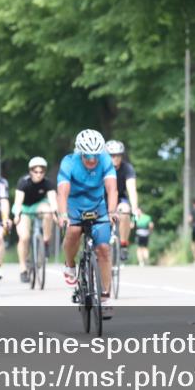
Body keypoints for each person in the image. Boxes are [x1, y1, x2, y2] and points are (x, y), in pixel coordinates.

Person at [57, 129, 118, 319]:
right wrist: (62, 214)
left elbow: (112, 189)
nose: (92, 160)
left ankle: (106, 296)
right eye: (88, 156)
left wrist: (112, 212)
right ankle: (69, 264)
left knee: (104, 250)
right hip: (75, 206)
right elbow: (63, 192)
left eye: (96, 156)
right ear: (80, 152)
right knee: (74, 231)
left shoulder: (106, 160)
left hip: (98, 206)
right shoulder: (69, 162)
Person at [12, 157, 58, 283]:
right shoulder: (23, 182)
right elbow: (18, 201)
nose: (38, 175)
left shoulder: (48, 183)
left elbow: (53, 201)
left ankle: (46, 242)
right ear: (30, 171)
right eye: (35, 172)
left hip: (38, 205)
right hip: (24, 208)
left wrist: (56, 214)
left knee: (48, 212)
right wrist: (17, 215)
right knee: (24, 237)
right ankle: (22, 268)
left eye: (41, 172)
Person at [105, 140, 139, 262]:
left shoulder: (127, 168)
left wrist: (135, 208)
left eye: (118, 155)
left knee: (125, 211)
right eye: (112, 155)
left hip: (120, 199)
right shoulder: (100, 168)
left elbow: (131, 189)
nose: (115, 158)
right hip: (103, 199)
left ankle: (123, 244)